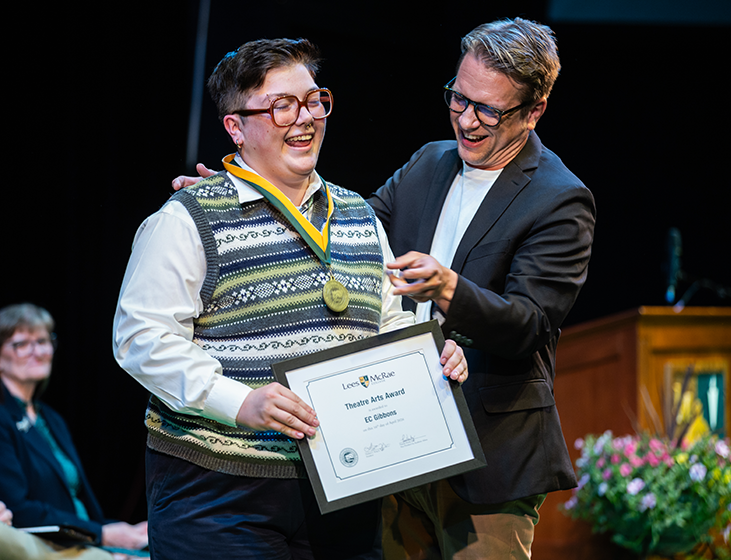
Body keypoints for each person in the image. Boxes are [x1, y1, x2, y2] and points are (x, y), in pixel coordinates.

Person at [173, 17, 595, 560]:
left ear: (533, 111)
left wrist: (448, 287)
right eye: (458, 99)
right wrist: (240, 195)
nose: (466, 120)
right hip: (393, 442)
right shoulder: (429, 161)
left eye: (487, 110)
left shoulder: (559, 198)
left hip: (488, 461)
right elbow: (339, 235)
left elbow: (529, 325)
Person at [113, 38, 467, 560]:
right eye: (281, 105)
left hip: (345, 484)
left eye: (313, 100)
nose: (304, 118)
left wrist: (427, 354)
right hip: (220, 492)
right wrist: (240, 401)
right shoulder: (188, 218)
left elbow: (385, 322)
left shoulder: (356, 214)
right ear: (236, 126)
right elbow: (141, 340)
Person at [0, 304, 148, 554]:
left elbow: (75, 505)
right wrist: (104, 535)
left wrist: (123, 531)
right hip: (48, 546)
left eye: (43, 340)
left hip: (83, 540)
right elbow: (17, 508)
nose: (38, 351)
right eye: (23, 343)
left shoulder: (51, 419)